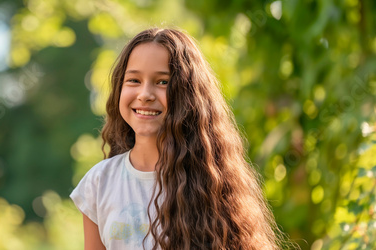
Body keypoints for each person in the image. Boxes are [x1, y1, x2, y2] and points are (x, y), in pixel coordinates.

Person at [70, 28, 284, 249]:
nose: (145, 94)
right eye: (134, 80)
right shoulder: (98, 183)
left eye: (163, 82)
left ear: (188, 96)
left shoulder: (213, 182)